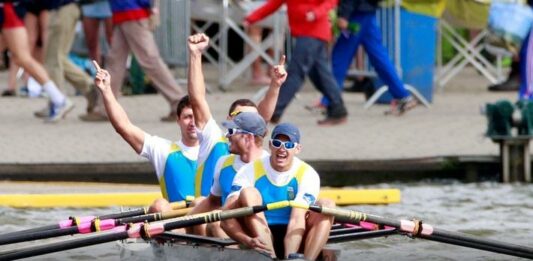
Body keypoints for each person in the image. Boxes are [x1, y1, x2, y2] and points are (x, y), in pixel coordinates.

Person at [185, 33, 286, 236]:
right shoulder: (217, 140)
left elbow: (262, 119)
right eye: (238, 117)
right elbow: (197, 100)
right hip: (222, 225)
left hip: (260, 227)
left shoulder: (271, 160)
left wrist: (275, 86)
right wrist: (195, 56)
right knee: (204, 211)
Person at [91, 61, 198, 218]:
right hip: (178, 226)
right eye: (188, 117)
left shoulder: (218, 148)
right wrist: (107, 91)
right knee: (159, 205)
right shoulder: (164, 150)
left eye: (197, 117)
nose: (193, 122)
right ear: (178, 120)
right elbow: (124, 127)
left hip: (208, 223)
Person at [221, 123, 335, 260]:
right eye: (277, 143)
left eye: (288, 145)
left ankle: (307, 259)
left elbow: (297, 219)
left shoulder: (307, 174)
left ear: (298, 149)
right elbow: (226, 217)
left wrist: (288, 257)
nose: (282, 149)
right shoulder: (249, 170)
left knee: (327, 205)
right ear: (270, 145)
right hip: (256, 234)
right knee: (248, 193)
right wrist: (246, 240)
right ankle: (270, 255)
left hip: (294, 231)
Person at [245, 0, 348, 126]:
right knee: (320, 75)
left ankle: (275, 111)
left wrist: (316, 13)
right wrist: (251, 18)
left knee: (295, 73)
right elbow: (272, 5)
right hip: (306, 34)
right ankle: (338, 109)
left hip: (313, 33)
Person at [83, 0, 184, 122]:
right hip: (125, 12)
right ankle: (104, 108)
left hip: (131, 12)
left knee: (149, 61)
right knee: (115, 62)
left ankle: (180, 103)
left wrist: (152, 9)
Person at [328, 0, 418, 115]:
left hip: (357, 11)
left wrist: (344, 15)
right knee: (379, 57)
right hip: (366, 9)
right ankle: (402, 95)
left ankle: (329, 99)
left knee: (340, 57)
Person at [0, 0, 73, 122]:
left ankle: (60, 99)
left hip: (8, 10)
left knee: (22, 58)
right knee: (21, 58)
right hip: (8, 10)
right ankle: (59, 99)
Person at [36, 0, 96, 119]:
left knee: (53, 60)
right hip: (65, 9)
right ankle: (89, 87)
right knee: (58, 58)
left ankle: (59, 102)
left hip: (63, 9)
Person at [80, 0, 113, 66]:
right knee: (91, 43)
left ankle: (118, 70)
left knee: (113, 42)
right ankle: (96, 71)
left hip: (110, 5)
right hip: (89, 5)